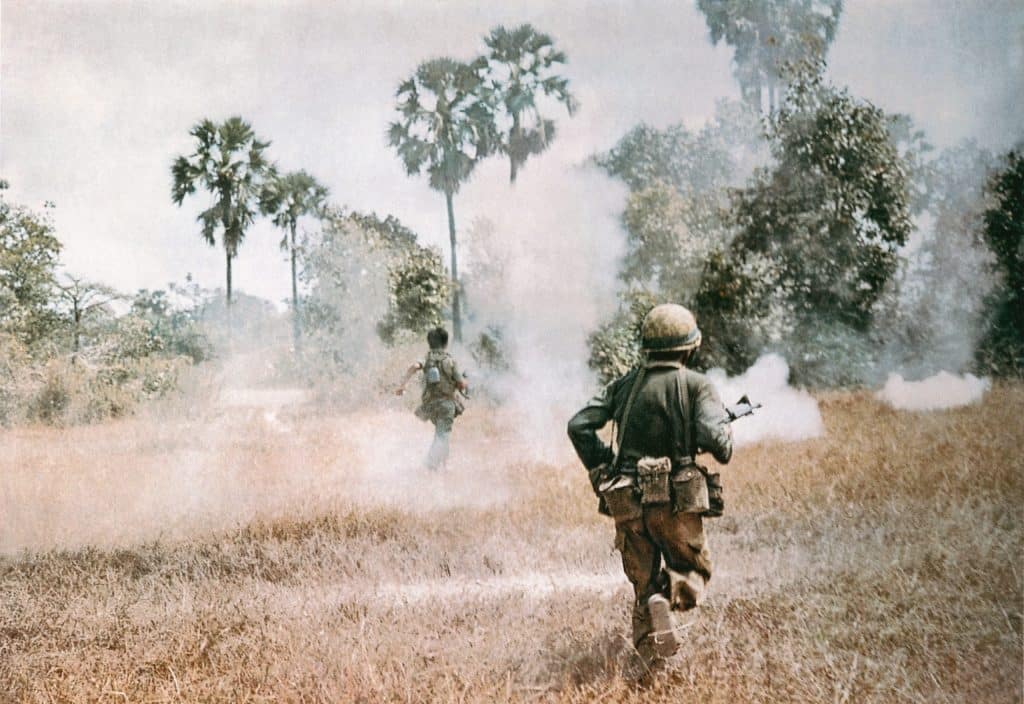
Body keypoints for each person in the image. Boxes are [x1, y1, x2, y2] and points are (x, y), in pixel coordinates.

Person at [567, 303, 733, 667]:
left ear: (646, 347)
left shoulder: (625, 384)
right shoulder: (697, 385)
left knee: (642, 590)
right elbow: (716, 442)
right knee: (694, 572)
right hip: (675, 504)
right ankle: (669, 597)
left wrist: (605, 465)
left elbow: (578, 425)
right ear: (689, 347)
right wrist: (723, 432)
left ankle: (647, 672)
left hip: (626, 501)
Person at [395, 326, 468, 470]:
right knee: (443, 435)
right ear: (445, 343)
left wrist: (402, 385)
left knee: (440, 433)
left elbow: (413, 367)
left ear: (430, 343)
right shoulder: (451, 361)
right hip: (446, 405)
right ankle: (431, 464)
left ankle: (441, 466)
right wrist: (465, 383)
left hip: (430, 405)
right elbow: (460, 384)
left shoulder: (426, 358)